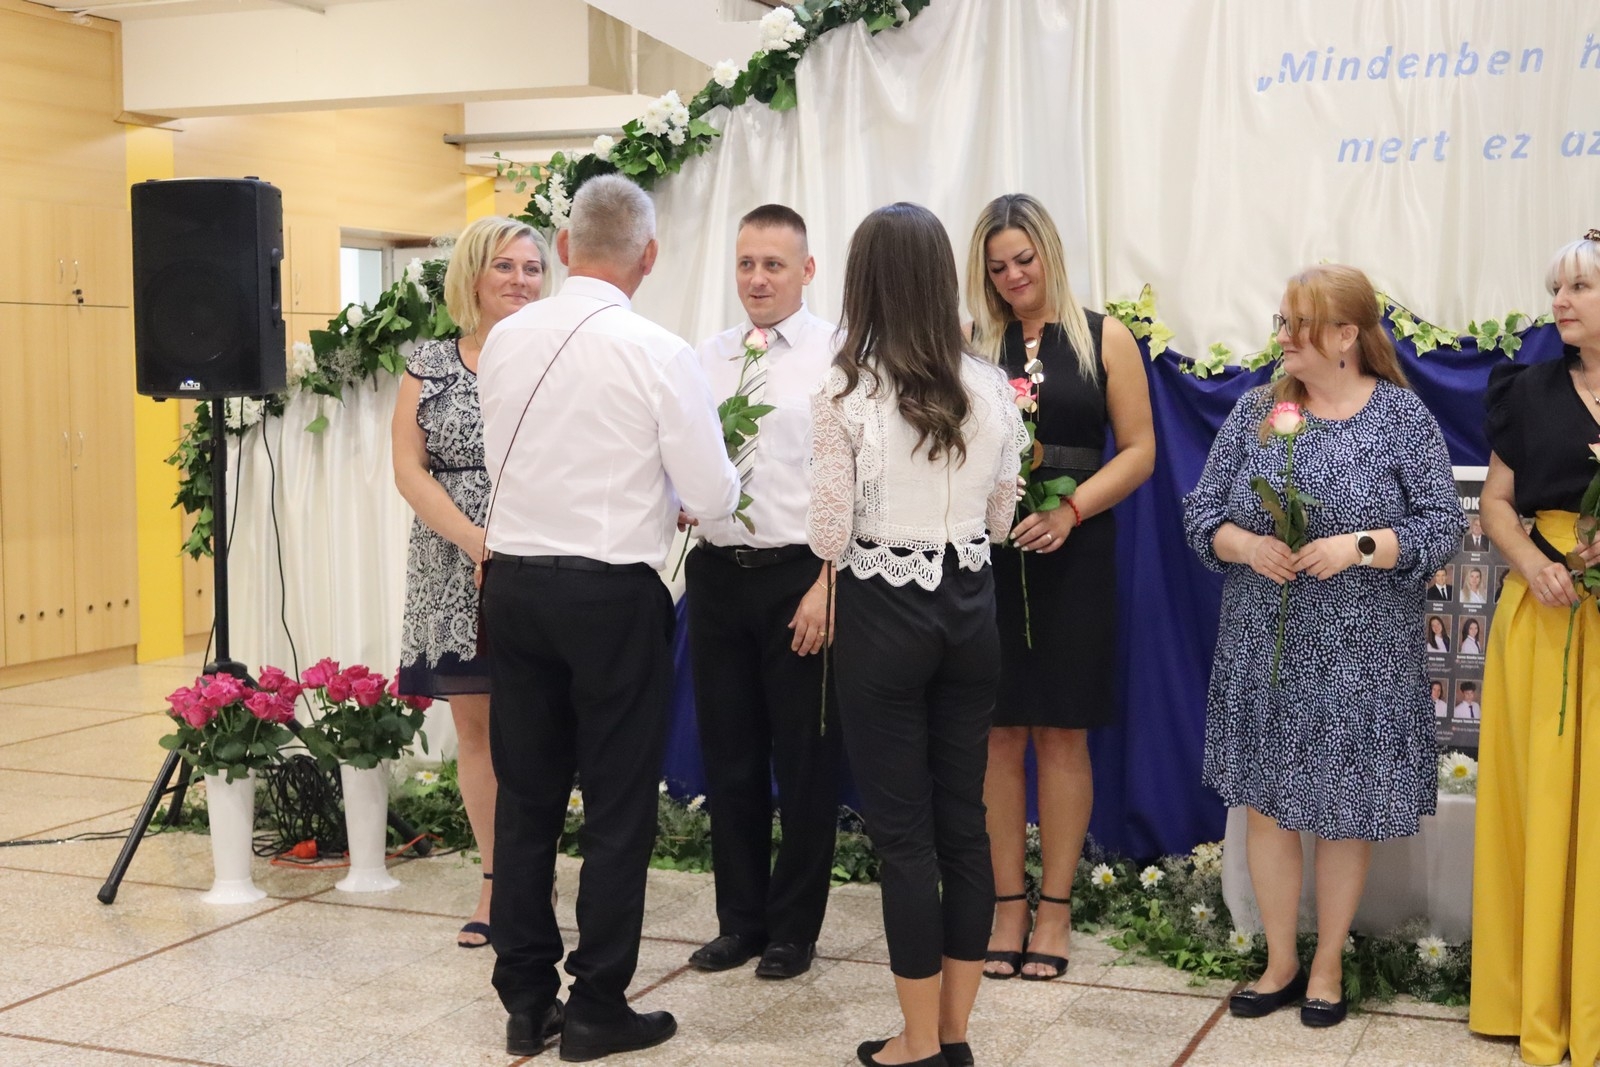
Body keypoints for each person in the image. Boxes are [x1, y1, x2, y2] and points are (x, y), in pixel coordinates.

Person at [477, 175, 741, 1060]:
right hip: (610, 595)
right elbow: (710, 492)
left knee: (527, 798)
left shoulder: (506, 337)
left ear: (562, 248)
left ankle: (525, 999)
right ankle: (595, 1005)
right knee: (618, 805)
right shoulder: (659, 351)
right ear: (649, 255)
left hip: (513, 585)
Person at [1182, 264, 1464, 1028]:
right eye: (1279, 321)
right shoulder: (1257, 411)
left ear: (1345, 335)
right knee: (1269, 808)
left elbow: (1443, 523)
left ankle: (1328, 964)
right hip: (1264, 648)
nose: (1281, 336)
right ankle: (1279, 960)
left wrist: (1360, 546)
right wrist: (1245, 544)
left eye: (1295, 323)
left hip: (1362, 656)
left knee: (1343, 810)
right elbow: (1202, 513)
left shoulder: (1400, 416)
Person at [809, 202, 1026, 1067]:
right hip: (970, 610)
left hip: (882, 612)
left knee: (904, 837)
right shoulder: (992, 386)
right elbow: (1002, 520)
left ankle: (918, 1039)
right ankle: (955, 1034)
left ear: (863, 283)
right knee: (964, 826)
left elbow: (829, 533)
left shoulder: (845, 389)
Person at [963, 193, 1155, 981]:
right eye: (997, 267)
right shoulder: (974, 344)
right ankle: (1007, 904)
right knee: (998, 732)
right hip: (991, 555)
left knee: (1062, 733)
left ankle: (1056, 909)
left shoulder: (1105, 336)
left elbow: (1139, 450)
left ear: (1050, 253)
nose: (1013, 276)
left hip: (1075, 550)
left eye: (1024, 259)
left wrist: (1071, 509)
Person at [684, 204, 842, 981]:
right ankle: (739, 920)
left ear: (806, 270)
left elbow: (857, 482)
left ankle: (793, 928)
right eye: (746, 263)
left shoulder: (838, 355)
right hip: (718, 573)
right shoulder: (705, 357)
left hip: (799, 576)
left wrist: (829, 582)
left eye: (773, 265)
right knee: (731, 756)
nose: (757, 278)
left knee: (804, 760)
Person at [392, 215, 545, 949]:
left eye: (532, 267)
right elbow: (409, 469)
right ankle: (496, 880)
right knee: (477, 730)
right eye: (505, 266)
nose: (520, 279)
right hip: (454, 564)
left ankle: (535, 870)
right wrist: (475, 539)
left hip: (539, 555)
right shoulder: (428, 363)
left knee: (538, 730)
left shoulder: (555, 358)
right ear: (473, 277)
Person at [1471, 232, 1600, 1067]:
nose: (1561, 301)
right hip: (1545, 613)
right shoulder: (1527, 388)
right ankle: (1539, 1000)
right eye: (1557, 286)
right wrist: (1532, 562)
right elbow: (1496, 501)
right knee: (1544, 803)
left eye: (1581, 286)